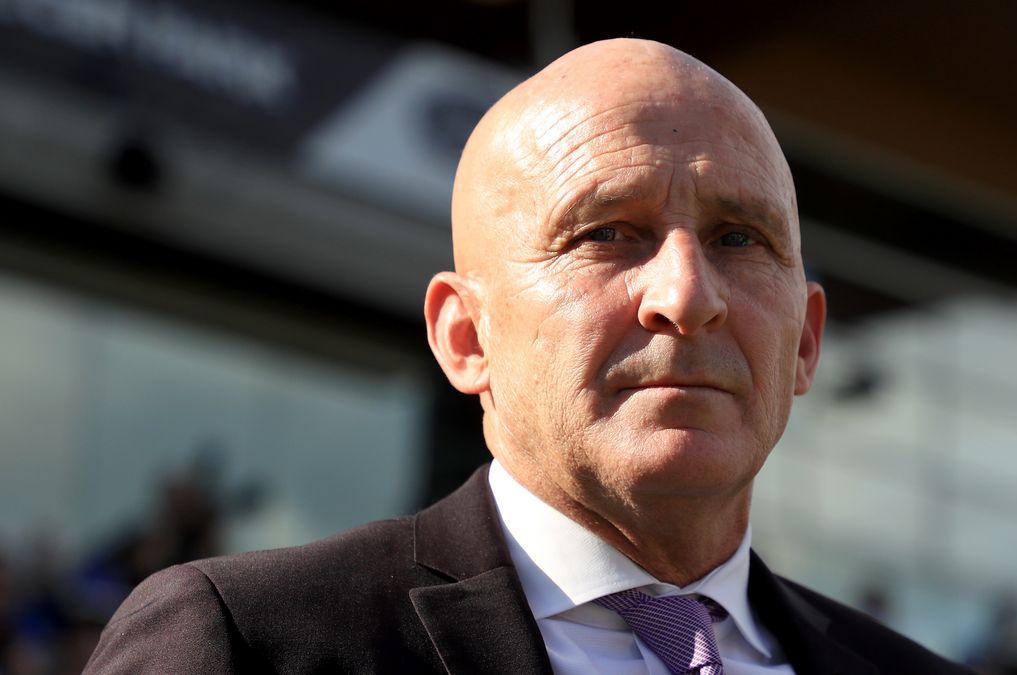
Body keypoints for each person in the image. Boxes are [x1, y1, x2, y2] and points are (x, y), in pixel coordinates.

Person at [84, 38, 969, 674]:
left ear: (806, 341)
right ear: (467, 336)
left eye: (739, 237)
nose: (687, 294)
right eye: (609, 232)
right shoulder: (248, 643)